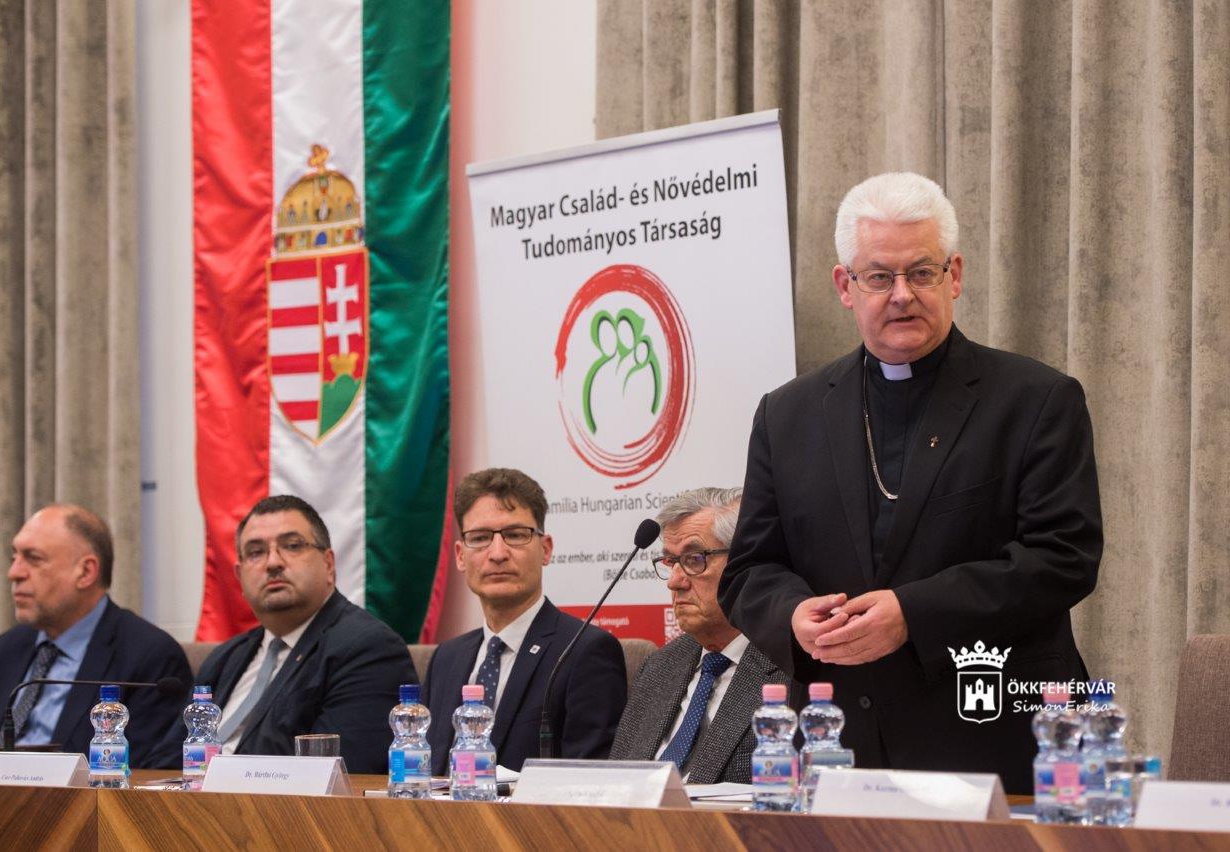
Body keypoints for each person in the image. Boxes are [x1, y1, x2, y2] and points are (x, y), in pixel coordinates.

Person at [718, 172, 1102, 794]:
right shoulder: (787, 414)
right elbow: (749, 569)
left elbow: (1063, 560)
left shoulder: (1035, 400)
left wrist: (912, 615)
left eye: (921, 273)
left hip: (991, 738)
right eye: (879, 277)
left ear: (955, 275)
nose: (902, 295)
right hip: (835, 741)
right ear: (845, 286)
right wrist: (794, 615)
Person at [147, 495, 415, 772]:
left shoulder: (368, 649)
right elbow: (165, 762)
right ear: (239, 576)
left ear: (328, 565)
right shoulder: (225, 658)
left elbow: (339, 774)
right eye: (256, 552)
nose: (273, 562)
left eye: (292, 546)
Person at [422, 468, 627, 774]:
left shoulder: (585, 651)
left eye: (515, 535)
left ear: (546, 549)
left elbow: (591, 781)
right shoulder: (446, 658)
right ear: (460, 556)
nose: (497, 553)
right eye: (480, 538)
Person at [0, 505, 192, 767]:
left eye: (34, 559)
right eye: (14, 557)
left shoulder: (150, 656)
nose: (14, 573)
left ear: (86, 572)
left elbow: (144, 775)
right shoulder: (8, 647)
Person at [610, 488, 785, 783]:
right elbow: (617, 780)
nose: (675, 582)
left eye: (694, 559)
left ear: (745, 563)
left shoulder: (791, 671)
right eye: (670, 562)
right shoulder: (660, 666)